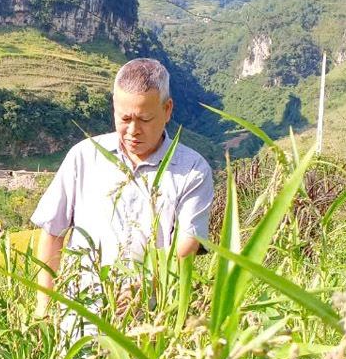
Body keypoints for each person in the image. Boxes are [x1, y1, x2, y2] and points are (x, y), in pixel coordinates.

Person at [31, 58, 214, 325]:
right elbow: (52, 231)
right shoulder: (84, 156)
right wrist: (44, 307)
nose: (132, 130)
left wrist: (144, 285)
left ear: (168, 109)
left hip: (153, 320)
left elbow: (187, 245)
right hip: (79, 319)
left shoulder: (192, 170)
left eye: (144, 119)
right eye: (124, 118)